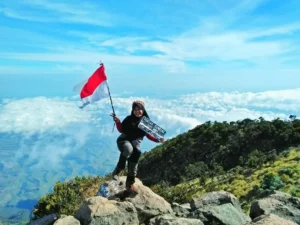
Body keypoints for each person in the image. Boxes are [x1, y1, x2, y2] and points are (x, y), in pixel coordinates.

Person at [111, 100, 164, 192]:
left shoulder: (145, 123)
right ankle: (118, 169)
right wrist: (117, 121)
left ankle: (129, 184)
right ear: (132, 110)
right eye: (135, 109)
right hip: (123, 141)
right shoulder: (128, 119)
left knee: (135, 158)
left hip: (135, 143)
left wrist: (158, 139)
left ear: (143, 110)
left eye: (140, 109)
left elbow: (149, 135)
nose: (137, 111)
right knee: (128, 149)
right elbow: (121, 129)